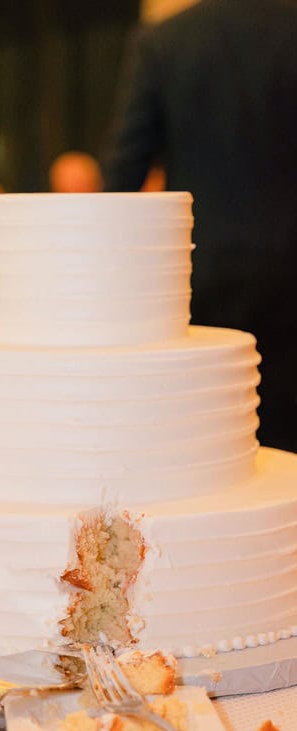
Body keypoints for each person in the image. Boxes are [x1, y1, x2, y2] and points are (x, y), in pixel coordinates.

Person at [100, 0, 297, 451]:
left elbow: (122, 178)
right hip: (291, 269)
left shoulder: (165, 41)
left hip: (200, 274)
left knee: (211, 444)